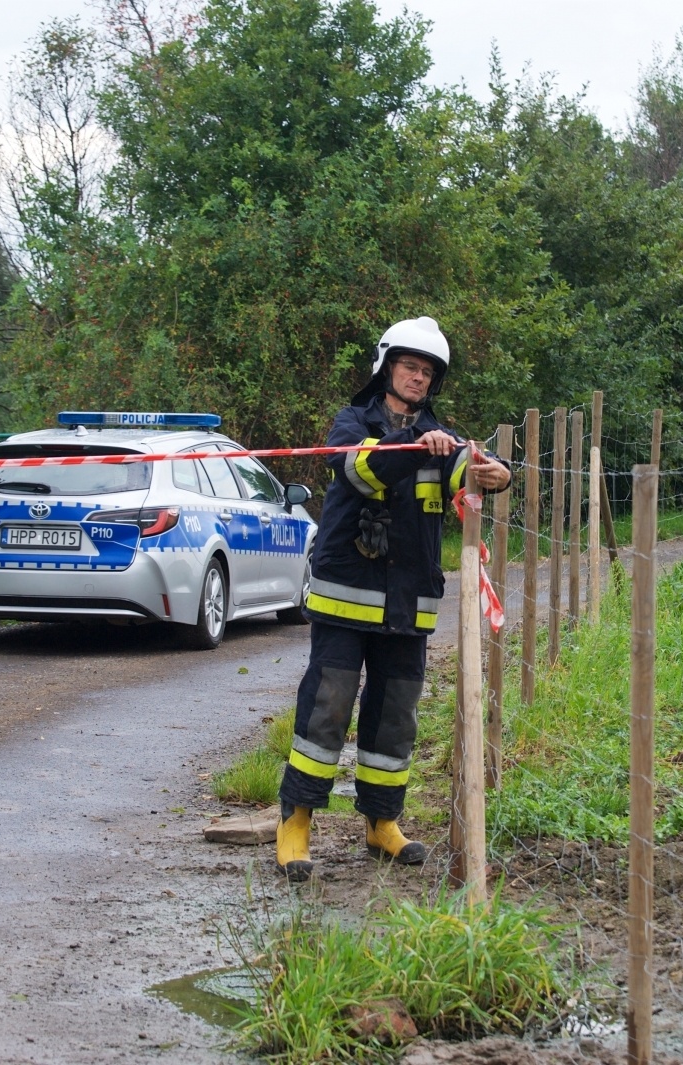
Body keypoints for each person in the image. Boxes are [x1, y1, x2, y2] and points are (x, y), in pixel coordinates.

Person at [276, 316, 511, 883]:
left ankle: (382, 824)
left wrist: (493, 474)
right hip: (344, 599)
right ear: (386, 367)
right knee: (327, 706)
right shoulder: (351, 422)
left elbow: (466, 477)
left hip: (408, 605)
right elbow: (361, 469)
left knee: (395, 718)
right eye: (411, 367)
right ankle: (296, 822)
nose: (419, 378)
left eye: (428, 372)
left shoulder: (443, 437)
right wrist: (412, 449)